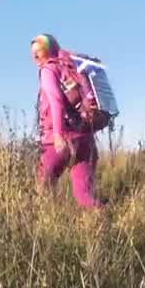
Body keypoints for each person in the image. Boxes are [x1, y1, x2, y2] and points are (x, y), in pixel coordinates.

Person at [32, 33, 104, 209]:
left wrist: (57, 135)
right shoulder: (73, 67)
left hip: (60, 141)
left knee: (42, 188)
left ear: (47, 51)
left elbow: (56, 102)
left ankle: (47, 226)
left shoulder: (48, 70)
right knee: (85, 196)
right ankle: (104, 220)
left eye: (38, 52)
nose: (35, 57)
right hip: (85, 138)